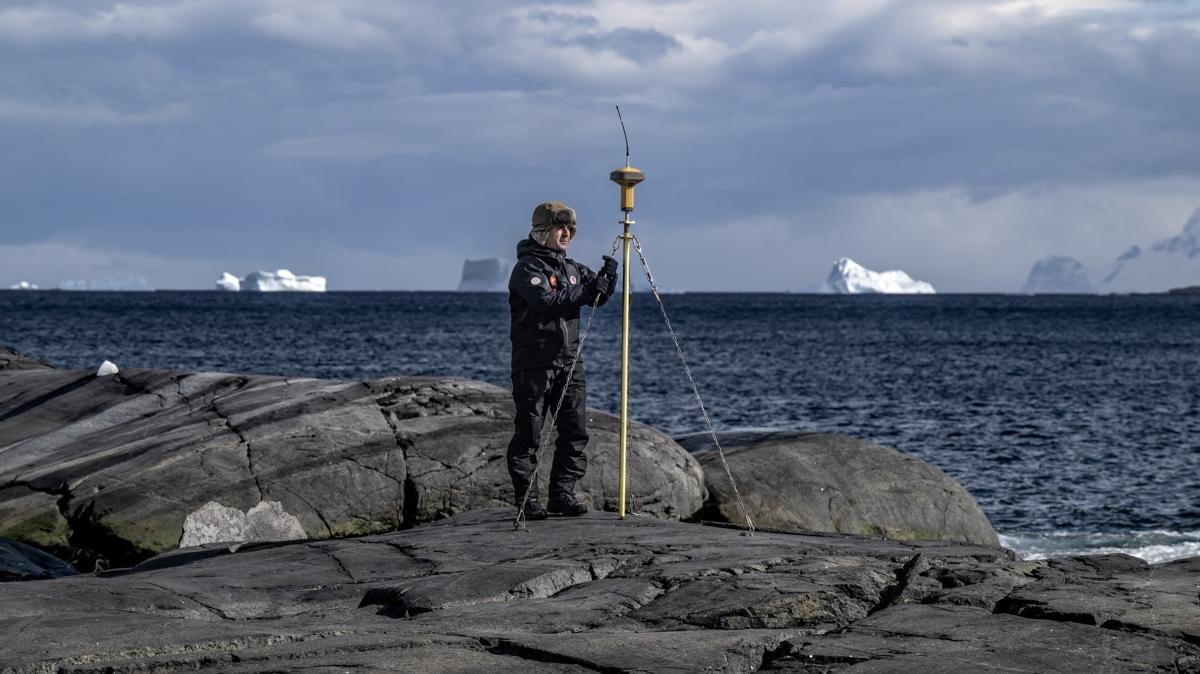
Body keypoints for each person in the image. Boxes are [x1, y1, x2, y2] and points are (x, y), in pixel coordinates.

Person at [507, 201, 619, 520]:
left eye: (571, 229)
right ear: (542, 232)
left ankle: (562, 493)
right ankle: (527, 499)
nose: (567, 233)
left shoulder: (572, 269)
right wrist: (586, 292)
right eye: (561, 228)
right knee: (529, 432)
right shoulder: (527, 268)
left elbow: (596, 297)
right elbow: (546, 302)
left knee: (575, 430)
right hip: (534, 363)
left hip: (570, 362)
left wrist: (609, 278)